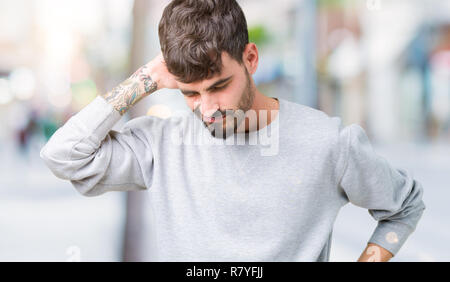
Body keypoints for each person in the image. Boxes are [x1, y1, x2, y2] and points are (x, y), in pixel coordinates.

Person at [40, 0, 425, 262]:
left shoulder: (329, 142)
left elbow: (404, 207)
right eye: (190, 93)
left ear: (251, 58)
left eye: (218, 86)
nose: (207, 110)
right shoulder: (161, 145)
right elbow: (63, 155)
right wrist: (146, 78)